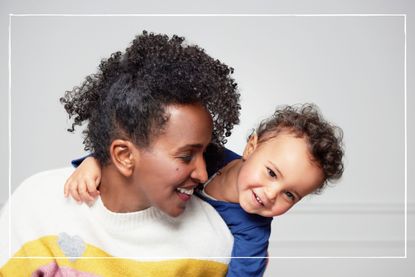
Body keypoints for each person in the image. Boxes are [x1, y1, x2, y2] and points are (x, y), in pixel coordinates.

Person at [0, 31, 241, 276]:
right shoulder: (38, 206)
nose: (202, 174)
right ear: (125, 156)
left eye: (205, 153)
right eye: (186, 156)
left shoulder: (212, 243)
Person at [66, 103, 345, 277]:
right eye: (271, 173)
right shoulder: (208, 155)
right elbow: (147, 154)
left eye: (290, 195)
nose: (271, 193)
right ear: (251, 147)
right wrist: (94, 162)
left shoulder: (252, 233)